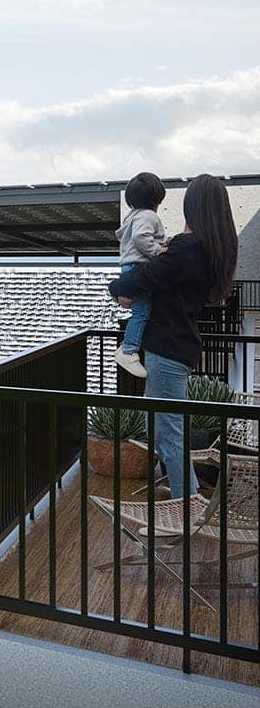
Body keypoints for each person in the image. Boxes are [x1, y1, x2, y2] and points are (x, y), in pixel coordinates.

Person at [110, 174, 239, 493]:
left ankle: (184, 507)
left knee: (169, 434)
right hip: (179, 347)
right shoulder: (210, 250)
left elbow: (143, 277)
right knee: (160, 426)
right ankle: (185, 491)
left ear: (191, 207)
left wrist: (115, 288)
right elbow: (156, 279)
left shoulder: (186, 247)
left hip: (166, 349)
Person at [112, 172, 168, 378]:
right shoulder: (148, 216)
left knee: (141, 310)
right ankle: (129, 351)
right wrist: (157, 250)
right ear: (157, 199)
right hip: (138, 267)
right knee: (142, 312)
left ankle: (127, 345)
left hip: (129, 268)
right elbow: (141, 237)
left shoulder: (133, 216)